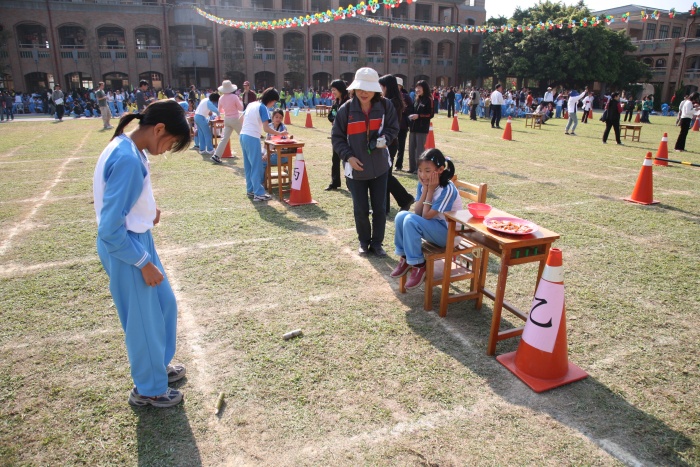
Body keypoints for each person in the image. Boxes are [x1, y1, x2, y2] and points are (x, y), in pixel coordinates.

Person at [93, 100, 192, 407]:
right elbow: (110, 228)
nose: (167, 149)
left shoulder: (131, 148)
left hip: (138, 239)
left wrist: (149, 211)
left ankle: (157, 365)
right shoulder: (127, 158)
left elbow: (126, 199)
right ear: (159, 129)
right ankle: (149, 389)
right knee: (143, 321)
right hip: (126, 249)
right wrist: (142, 262)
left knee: (164, 304)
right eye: (171, 142)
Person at [331, 67, 400, 257]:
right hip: (355, 169)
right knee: (360, 209)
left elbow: (394, 127)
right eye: (360, 88)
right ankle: (363, 241)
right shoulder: (346, 109)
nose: (364, 92)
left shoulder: (386, 106)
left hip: (380, 167)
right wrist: (348, 157)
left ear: (376, 89)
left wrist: (386, 138)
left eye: (368, 88)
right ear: (354, 89)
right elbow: (337, 138)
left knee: (380, 208)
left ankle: (377, 243)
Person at [389, 148, 462, 289]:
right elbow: (418, 212)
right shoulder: (423, 183)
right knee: (401, 216)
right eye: (420, 170)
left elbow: (426, 215)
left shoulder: (447, 189)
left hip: (450, 234)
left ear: (440, 170)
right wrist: (425, 189)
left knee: (410, 221)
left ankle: (418, 265)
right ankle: (405, 257)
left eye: (427, 171)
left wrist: (429, 190)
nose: (422, 175)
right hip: (433, 227)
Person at [239, 87, 287, 202]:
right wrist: (279, 133)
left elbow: (240, 119)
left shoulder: (251, 104)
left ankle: (250, 189)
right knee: (257, 165)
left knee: (248, 165)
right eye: (274, 102)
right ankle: (258, 193)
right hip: (252, 137)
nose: (273, 104)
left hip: (243, 135)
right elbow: (266, 128)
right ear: (271, 100)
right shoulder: (263, 108)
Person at [379, 74, 414, 214]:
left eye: (381, 87)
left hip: (389, 142)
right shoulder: (394, 101)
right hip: (390, 142)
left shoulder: (390, 102)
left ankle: (405, 199)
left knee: (385, 176)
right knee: (385, 175)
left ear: (386, 87)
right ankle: (386, 206)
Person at [211, 80, 243, 163]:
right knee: (243, 136)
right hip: (235, 118)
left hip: (227, 119)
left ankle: (216, 155)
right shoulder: (234, 97)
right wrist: (240, 100)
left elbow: (219, 110)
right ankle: (249, 153)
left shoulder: (221, 98)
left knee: (224, 138)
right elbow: (241, 108)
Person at [325, 79, 349, 191]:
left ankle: (350, 183)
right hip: (337, 135)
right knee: (335, 159)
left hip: (347, 135)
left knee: (347, 159)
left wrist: (339, 121)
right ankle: (335, 182)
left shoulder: (348, 102)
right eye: (332, 90)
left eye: (334, 90)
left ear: (340, 89)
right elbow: (330, 115)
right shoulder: (336, 103)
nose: (333, 92)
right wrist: (334, 120)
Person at [407, 80, 433, 174]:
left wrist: (419, 116)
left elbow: (430, 114)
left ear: (424, 88)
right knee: (411, 148)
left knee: (419, 149)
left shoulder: (429, 99)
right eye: (416, 88)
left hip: (422, 128)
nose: (417, 90)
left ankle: (418, 169)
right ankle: (412, 168)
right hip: (413, 127)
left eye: (419, 88)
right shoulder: (416, 99)